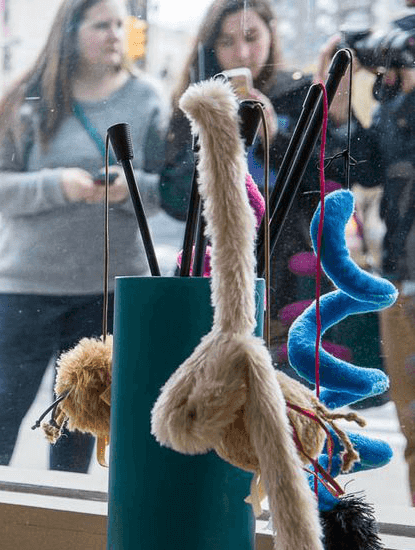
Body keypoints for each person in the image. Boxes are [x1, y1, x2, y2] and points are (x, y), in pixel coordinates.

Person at [0, 0, 166, 471]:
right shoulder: (27, 97)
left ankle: (62, 525)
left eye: (120, 24)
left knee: (80, 421)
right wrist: (60, 185)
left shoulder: (147, 99)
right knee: (1, 406)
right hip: (24, 285)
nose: (115, 34)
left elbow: (170, 191)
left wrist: (125, 189)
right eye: (101, 25)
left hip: (109, 289)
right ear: (71, 30)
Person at [159, 0, 356, 343]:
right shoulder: (197, 101)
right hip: (215, 261)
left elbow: (331, 178)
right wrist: (218, 139)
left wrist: (276, 134)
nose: (242, 52)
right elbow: (174, 198)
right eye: (226, 42)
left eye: (252, 36)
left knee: (286, 382)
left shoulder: (300, 94)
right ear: (211, 47)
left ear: (271, 34)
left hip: (291, 265)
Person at [344, 2, 415, 503]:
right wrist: (347, 95)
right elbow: (367, 171)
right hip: (401, 281)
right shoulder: (395, 105)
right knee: (414, 433)